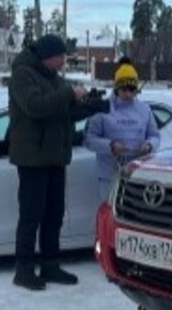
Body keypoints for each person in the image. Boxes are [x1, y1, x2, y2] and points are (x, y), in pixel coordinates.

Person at [7, 33, 108, 291]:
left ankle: (50, 265)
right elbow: (35, 107)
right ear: (49, 56)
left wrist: (90, 106)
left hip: (55, 156)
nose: (64, 61)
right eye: (61, 56)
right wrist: (68, 94)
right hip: (32, 158)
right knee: (31, 216)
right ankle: (24, 269)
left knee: (54, 214)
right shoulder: (22, 75)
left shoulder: (54, 78)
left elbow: (62, 112)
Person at [85, 62, 161, 202]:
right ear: (116, 88)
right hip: (109, 175)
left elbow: (155, 135)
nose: (128, 94)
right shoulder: (103, 108)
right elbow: (89, 140)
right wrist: (111, 146)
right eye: (124, 89)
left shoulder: (144, 109)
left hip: (138, 174)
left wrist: (149, 145)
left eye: (132, 90)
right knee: (110, 212)